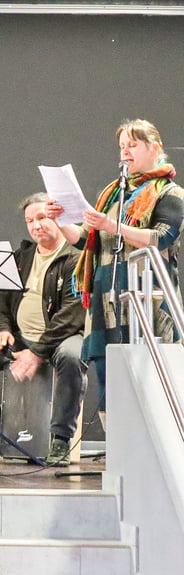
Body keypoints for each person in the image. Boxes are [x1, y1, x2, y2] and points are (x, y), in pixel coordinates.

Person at [49, 119, 184, 431]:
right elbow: (85, 240)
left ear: (155, 148)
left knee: (152, 376)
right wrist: (60, 222)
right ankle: (120, 452)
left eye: (133, 145)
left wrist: (113, 227)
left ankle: (157, 447)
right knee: (108, 377)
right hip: (108, 299)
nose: (125, 152)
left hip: (147, 299)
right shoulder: (114, 194)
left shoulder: (170, 192)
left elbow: (161, 237)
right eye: (122, 146)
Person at [0, 193, 86, 467]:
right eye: (30, 220)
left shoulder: (76, 259)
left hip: (61, 339)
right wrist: (1, 329)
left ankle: (60, 439)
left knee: (74, 357)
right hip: (20, 340)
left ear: (57, 218)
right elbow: (0, 301)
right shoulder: (19, 257)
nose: (35, 225)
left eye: (42, 217)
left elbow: (72, 316)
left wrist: (37, 352)